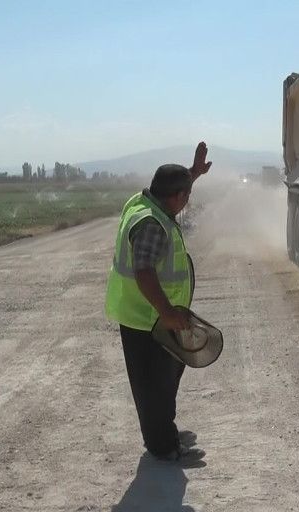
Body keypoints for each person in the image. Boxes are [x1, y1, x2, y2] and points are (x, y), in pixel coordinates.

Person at [105, 143, 211, 462]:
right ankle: (163, 447)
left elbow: (172, 188)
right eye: (185, 195)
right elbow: (144, 271)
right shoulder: (152, 224)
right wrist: (166, 312)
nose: (186, 201)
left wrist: (192, 173)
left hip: (154, 318)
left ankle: (164, 430)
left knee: (165, 380)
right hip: (148, 318)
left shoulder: (144, 202)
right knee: (154, 388)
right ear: (176, 197)